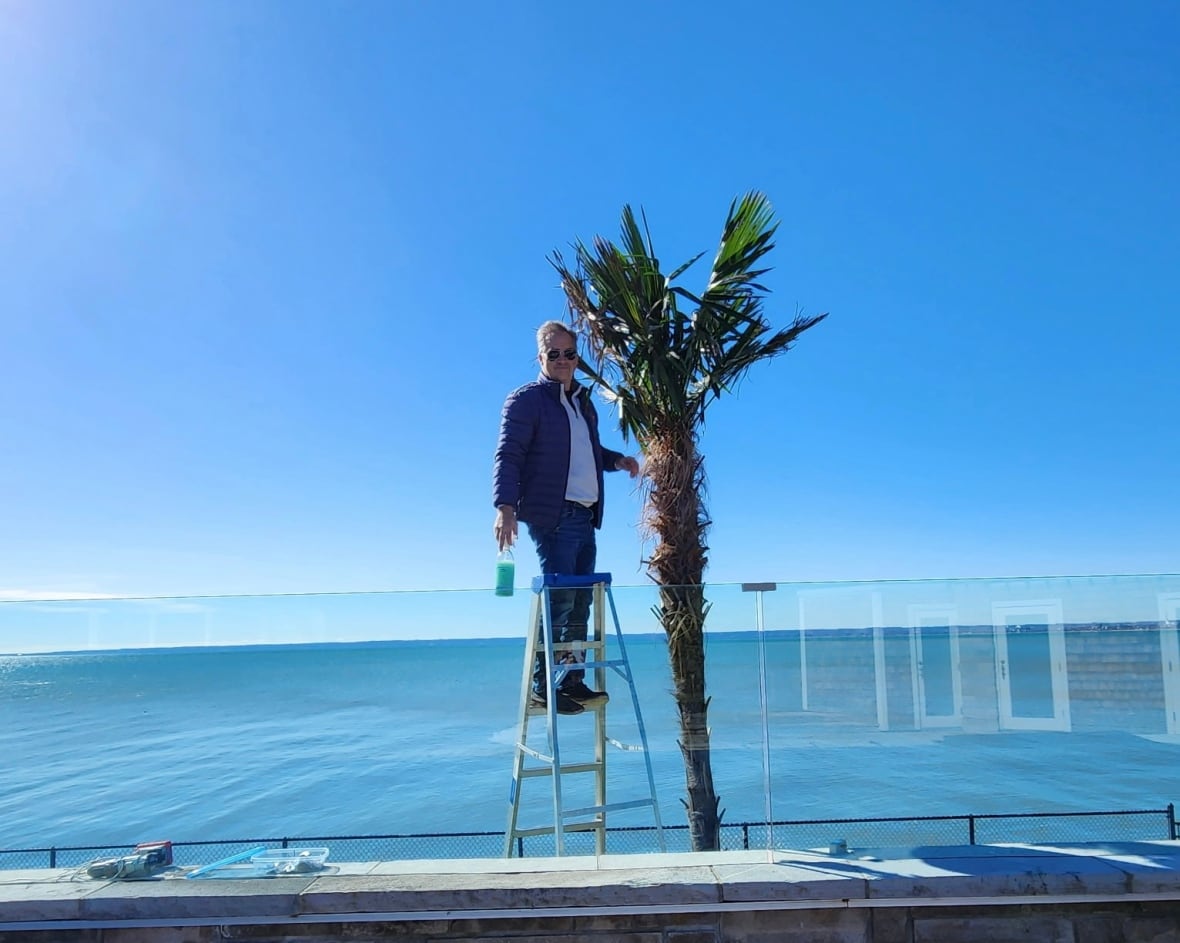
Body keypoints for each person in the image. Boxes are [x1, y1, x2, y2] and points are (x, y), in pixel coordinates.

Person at [493, 320, 640, 715]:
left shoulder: (583, 404)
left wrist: (616, 460)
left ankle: (571, 682)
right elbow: (509, 455)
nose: (562, 360)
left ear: (577, 357)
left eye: (569, 353)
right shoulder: (526, 400)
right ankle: (545, 687)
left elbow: (587, 451)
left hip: (585, 514)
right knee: (560, 602)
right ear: (541, 357)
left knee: (579, 605)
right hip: (552, 514)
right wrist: (504, 508)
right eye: (553, 354)